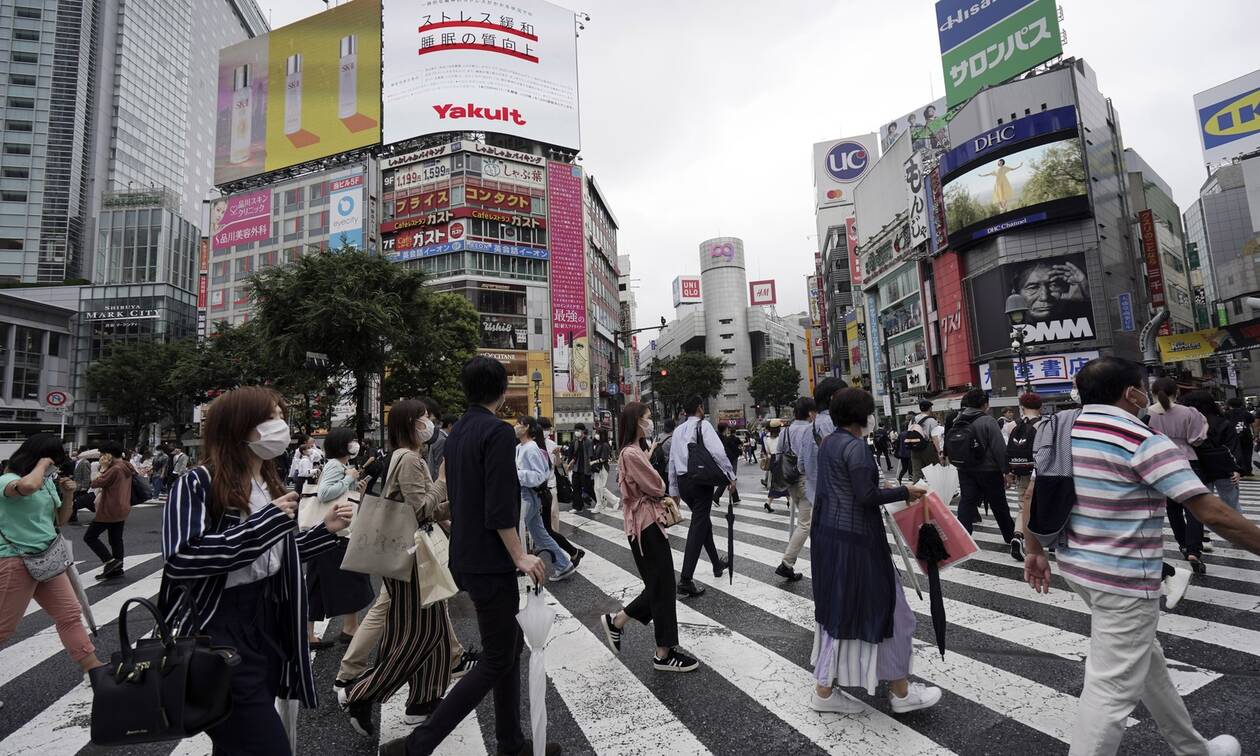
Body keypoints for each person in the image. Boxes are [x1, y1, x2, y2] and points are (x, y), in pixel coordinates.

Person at [1022, 357, 1257, 756]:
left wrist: (1032, 549)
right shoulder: (1140, 439)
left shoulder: (1059, 428)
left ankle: (1194, 749)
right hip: (1124, 580)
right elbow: (1211, 511)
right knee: (1110, 691)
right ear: (1132, 393)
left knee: (1147, 663)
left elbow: (1034, 493)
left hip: (1077, 568)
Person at [159, 386, 352, 755]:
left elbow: (276, 555)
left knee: (238, 741)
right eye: (271, 418)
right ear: (240, 427)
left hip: (267, 621)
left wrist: (323, 531)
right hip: (217, 625)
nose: (282, 426)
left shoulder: (267, 482)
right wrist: (265, 523)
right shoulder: (197, 482)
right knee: (262, 743)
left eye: (281, 416)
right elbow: (182, 558)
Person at [390, 356, 555, 756]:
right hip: (490, 560)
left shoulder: (458, 432)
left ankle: (511, 743)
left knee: (507, 647)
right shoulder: (496, 433)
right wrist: (520, 555)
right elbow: (499, 505)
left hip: (466, 556)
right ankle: (418, 744)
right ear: (501, 391)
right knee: (498, 657)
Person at [807, 388, 939, 715]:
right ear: (863, 417)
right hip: (859, 545)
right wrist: (905, 490)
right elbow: (865, 495)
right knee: (895, 614)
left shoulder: (829, 444)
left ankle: (829, 690)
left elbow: (852, 490)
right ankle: (899, 692)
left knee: (841, 614)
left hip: (829, 541)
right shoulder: (856, 448)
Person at [344, 400, 456, 737]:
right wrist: (442, 480)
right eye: (423, 417)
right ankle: (361, 693)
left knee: (433, 627)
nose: (429, 422)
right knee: (419, 633)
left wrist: (451, 502)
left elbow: (424, 508)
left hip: (412, 556)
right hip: (410, 560)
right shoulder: (408, 459)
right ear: (410, 423)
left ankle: (423, 701)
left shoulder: (406, 456)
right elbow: (419, 510)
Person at [601, 401, 699, 672]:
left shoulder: (634, 451)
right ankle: (663, 653)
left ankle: (622, 625)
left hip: (646, 524)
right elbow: (657, 485)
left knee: (660, 585)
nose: (649, 422)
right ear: (635, 422)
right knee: (662, 585)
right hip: (645, 526)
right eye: (645, 418)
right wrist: (657, 481)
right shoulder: (631, 454)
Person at [0, 434, 104, 689]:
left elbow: (59, 520)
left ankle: (93, 669)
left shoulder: (46, 483)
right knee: (3, 627)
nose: (57, 465)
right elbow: (26, 488)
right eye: (54, 460)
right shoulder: (7, 480)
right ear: (39, 457)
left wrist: (67, 495)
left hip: (48, 558)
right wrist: (42, 465)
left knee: (69, 614)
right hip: (15, 559)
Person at [305, 428, 375, 650]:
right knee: (352, 578)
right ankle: (349, 628)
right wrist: (349, 479)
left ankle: (310, 635)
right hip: (335, 534)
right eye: (352, 441)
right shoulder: (336, 465)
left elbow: (345, 498)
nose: (355, 444)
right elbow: (325, 493)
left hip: (327, 532)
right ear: (343, 445)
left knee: (316, 584)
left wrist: (358, 489)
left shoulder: (340, 466)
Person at [668, 395, 734, 598]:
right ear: (699, 408)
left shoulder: (678, 431)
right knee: (698, 525)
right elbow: (718, 453)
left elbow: (671, 460)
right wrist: (730, 476)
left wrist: (674, 491)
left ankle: (716, 564)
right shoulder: (703, 426)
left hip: (683, 482)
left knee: (703, 522)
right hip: (700, 481)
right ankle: (686, 579)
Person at [1147, 378, 1210, 573]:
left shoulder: (1146, 414)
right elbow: (1197, 439)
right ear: (1177, 392)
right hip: (1187, 459)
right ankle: (1193, 549)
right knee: (1194, 508)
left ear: (1153, 392)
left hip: (1161, 461)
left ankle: (1183, 544)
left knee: (1173, 508)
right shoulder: (1189, 412)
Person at [951, 389, 1018, 549]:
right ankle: (1009, 535)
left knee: (967, 501)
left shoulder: (958, 419)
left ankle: (962, 537)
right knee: (998, 503)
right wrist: (1006, 471)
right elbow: (999, 448)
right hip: (988, 470)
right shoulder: (988, 421)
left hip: (965, 468)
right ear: (985, 404)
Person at [515, 416, 576, 582]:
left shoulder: (531, 448)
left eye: (519, 424)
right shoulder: (521, 447)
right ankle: (564, 565)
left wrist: (516, 474)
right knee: (540, 535)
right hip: (528, 495)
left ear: (527, 427)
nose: (516, 426)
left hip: (529, 495)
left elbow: (539, 475)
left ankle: (519, 564)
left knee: (519, 530)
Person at [776, 397, 820, 582]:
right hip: (806, 480)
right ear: (811, 413)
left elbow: (778, 455)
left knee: (805, 522)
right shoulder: (810, 430)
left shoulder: (785, 431)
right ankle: (786, 563)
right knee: (805, 524)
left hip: (790, 482)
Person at [1179, 390, 1242, 515]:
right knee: (1231, 502)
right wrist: (1237, 469)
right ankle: (1237, 527)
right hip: (1224, 466)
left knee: (1202, 503)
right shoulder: (1223, 422)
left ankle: (1204, 529)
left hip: (1199, 466)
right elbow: (1233, 446)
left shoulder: (1188, 423)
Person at [537, 417, 583, 567]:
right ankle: (567, 553)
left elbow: (557, 466)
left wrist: (557, 455)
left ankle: (562, 556)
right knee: (543, 526)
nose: (547, 431)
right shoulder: (532, 444)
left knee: (551, 522)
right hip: (535, 489)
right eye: (545, 428)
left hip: (549, 487)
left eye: (547, 429)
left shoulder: (551, 444)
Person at [85, 441, 134, 580]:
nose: (100, 457)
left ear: (108, 455)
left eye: (102, 454)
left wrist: (102, 468)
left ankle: (111, 562)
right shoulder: (126, 465)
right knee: (116, 539)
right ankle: (118, 569)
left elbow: (95, 483)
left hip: (109, 508)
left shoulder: (114, 469)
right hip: (123, 507)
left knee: (90, 537)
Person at [1005, 392, 1044, 562]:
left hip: (1020, 471)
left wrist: (1009, 472)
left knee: (1023, 506)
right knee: (1042, 505)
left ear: (1021, 407)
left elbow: (1007, 449)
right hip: (1039, 472)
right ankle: (1043, 540)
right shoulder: (1045, 424)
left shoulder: (1012, 425)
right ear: (1040, 407)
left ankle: (1018, 536)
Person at [908, 399, 941, 482]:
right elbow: (935, 437)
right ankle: (936, 491)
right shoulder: (932, 420)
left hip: (914, 447)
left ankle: (917, 493)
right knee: (933, 470)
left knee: (917, 472)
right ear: (930, 408)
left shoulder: (913, 420)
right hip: (927, 447)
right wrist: (939, 451)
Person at [1225, 397, 1254, 478]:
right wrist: (1255, 435)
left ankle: (1238, 470)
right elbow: (1252, 423)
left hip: (1232, 436)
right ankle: (1248, 470)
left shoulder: (1226, 414)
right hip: (1246, 436)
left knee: (1235, 453)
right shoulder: (1246, 413)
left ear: (1229, 405)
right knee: (1247, 453)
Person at [568, 423, 594, 512]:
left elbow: (591, 456)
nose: (576, 432)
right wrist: (571, 462)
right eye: (575, 430)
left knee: (589, 487)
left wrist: (592, 467)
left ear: (583, 431)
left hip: (585, 469)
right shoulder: (575, 442)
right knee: (576, 488)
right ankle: (577, 507)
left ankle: (600, 502)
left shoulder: (588, 442)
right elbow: (573, 455)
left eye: (578, 430)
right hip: (576, 469)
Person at [591, 429, 613, 511]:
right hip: (598, 468)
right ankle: (601, 503)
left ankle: (613, 501)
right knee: (596, 488)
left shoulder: (605, 445)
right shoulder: (598, 444)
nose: (596, 435)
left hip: (603, 467)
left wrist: (593, 462)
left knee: (600, 488)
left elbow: (604, 458)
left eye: (597, 433)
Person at [896, 412, 914, 483]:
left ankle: (899, 479)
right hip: (910, 453)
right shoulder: (911, 433)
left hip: (903, 453)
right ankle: (911, 478)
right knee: (911, 467)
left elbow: (898, 444)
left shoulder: (901, 434)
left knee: (904, 468)